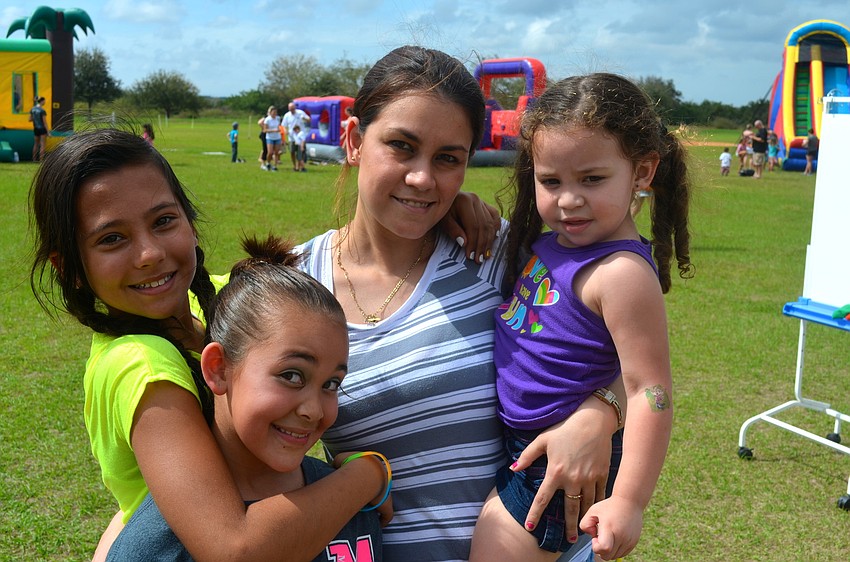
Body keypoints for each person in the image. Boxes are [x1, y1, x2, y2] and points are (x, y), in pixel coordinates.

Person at [296, 46, 623, 561]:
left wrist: (599, 414)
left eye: (448, 158)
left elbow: (637, 365)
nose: (423, 178)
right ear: (355, 140)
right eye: (401, 146)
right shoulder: (294, 286)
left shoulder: (499, 255)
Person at [29, 126, 392, 561]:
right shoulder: (139, 364)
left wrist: (449, 214)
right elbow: (232, 549)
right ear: (69, 266)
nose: (149, 253)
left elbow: (291, 296)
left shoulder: (215, 302)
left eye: (163, 221)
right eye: (112, 238)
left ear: (190, 221)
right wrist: (369, 476)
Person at [470, 73, 691, 561]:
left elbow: (650, 392)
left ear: (642, 172)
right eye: (551, 181)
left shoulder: (621, 273)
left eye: (592, 179)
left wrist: (629, 502)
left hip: (558, 462)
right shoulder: (556, 242)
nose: (568, 200)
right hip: (523, 447)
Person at [107, 234, 387, 561]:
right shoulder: (156, 544)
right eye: (292, 376)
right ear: (218, 368)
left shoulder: (355, 510)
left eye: (331, 384)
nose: (313, 410)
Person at [283, 101, 310, 171]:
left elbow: (309, 120)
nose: (291, 110)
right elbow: (283, 126)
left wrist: (304, 118)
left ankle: (299, 167)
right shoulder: (287, 115)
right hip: (291, 137)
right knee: (292, 152)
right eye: (290, 109)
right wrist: (285, 130)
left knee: (299, 153)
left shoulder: (300, 113)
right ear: (288, 109)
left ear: (295, 107)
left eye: (293, 108)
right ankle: (294, 166)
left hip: (300, 137)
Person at [29, 96, 49, 161]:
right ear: (42, 101)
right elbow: (45, 122)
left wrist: (35, 118)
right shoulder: (42, 110)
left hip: (36, 128)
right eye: (44, 101)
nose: (45, 102)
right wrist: (48, 132)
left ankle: (34, 159)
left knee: (36, 144)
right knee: (43, 144)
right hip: (42, 129)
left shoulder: (32, 109)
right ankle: (41, 160)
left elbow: (29, 119)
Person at [263, 106, 283, 171]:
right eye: (273, 112)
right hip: (270, 137)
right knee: (270, 152)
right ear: (270, 112)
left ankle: (275, 166)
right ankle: (268, 163)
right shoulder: (267, 119)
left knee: (277, 152)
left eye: (276, 112)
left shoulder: (278, 118)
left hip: (277, 137)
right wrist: (273, 130)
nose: (275, 114)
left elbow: (280, 127)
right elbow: (265, 130)